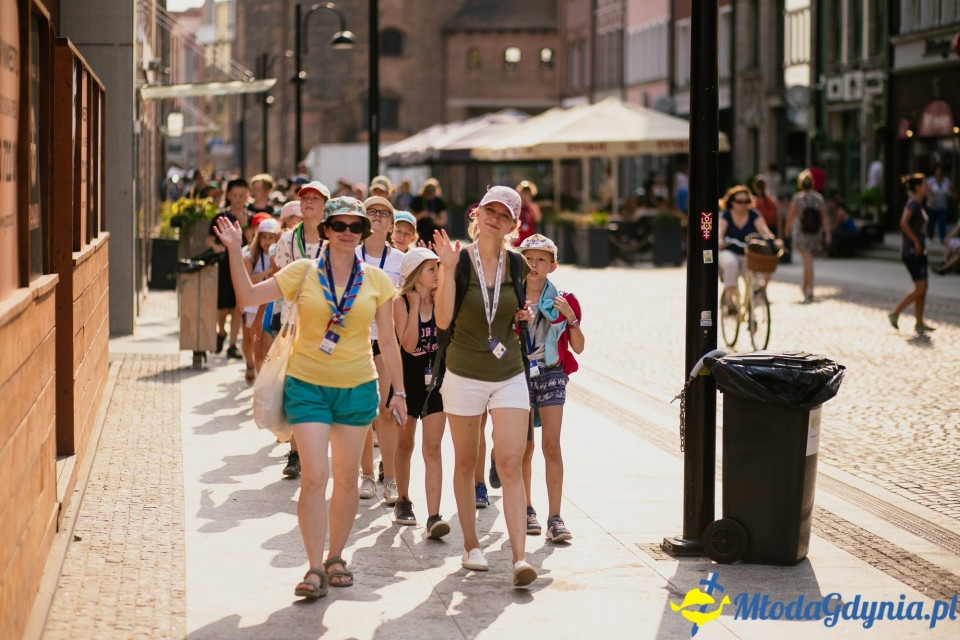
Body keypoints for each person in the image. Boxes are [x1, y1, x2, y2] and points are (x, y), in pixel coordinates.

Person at [212, 196, 407, 599]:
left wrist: (399, 392)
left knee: (348, 480)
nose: (347, 233)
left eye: (356, 227)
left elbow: (387, 339)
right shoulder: (301, 273)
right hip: (306, 385)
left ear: (363, 233)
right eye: (340, 226)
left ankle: (337, 556)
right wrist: (235, 251)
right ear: (327, 229)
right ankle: (314, 566)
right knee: (316, 476)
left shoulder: (376, 281)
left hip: (356, 388)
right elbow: (249, 297)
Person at [432, 185, 538, 587]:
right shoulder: (458, 261)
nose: (494, 218)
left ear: (512, 224)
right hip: (463, 373)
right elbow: (443, 321)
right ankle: (471, 545)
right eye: (489, 211)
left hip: (508, 371)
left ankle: (519, 558)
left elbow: (512, 312)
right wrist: (444, 270)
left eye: (504, 214)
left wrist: (522, 315)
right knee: (465, 460)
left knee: (510, 461)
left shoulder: (516, 265)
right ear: (477, 214)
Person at [516, 234, 584, 543]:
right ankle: (526, 509)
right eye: (529, 258)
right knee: (524, 447)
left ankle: (555, 517)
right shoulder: (512, 296)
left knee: (551, 445)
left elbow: (579, 348)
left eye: (541, 259)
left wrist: (571, 321)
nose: (534, 264)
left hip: (552, 373)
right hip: (517, 373)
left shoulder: (563, 300)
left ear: (552, 265)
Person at [271, 181, 331, 479]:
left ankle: (316, 449)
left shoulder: (333, 241)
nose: (308, 202)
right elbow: (277, 277)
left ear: (324, 205)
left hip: (325, 324)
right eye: (305, 198)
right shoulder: (286, 241)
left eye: (315, 198)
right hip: (293, 322)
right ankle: (295, 452)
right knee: (295, 388)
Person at [391, 247, 450, 537]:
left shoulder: (443, 300)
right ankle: (403, 500)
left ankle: (434, 515)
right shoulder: (400, 302)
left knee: (433, 447)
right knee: (405, 445)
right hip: (407, 379)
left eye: (438, 268)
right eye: (431, 269)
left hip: (437, 380)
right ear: (415, 275)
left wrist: (438, 303)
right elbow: (410, 346)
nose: (437, 273)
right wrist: (415, 308)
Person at [357, 196, 406, 504]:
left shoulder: (401, 261)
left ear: (391, 225)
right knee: (363, 413)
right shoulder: (351, 255)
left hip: (387, 343)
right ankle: (366, 477)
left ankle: (390, 478)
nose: (376, 217)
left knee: (386, 412)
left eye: (383, 214)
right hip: (356, 341)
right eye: (371, 212)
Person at [206, 177, 250, 359]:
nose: (239, 199)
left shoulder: (250, 217)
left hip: (243, 266)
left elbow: (253, 242)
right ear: (229, 196)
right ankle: (221, 332)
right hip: (224, 265)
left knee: (238, 306)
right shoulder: (220, 217)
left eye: (242, 195)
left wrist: (245, 224)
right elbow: (209, 240)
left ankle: (232, 345)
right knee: (223, 307)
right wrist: (218, 247)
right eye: (235, 195)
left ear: (247, 196)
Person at [889, 174, 935, 333]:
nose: (927, 187)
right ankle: (895, 312)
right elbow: (903, 223)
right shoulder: (913, 203)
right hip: (912, 251)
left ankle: (919, 322)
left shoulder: (920, 204)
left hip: (919, 251)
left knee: (923, 287)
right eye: (925, 184)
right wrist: (915, 241)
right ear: (917, 187)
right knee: (921, 288)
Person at [717, 186, 776, 312]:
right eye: (739, 202)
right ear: (731, 202)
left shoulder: (753, 214)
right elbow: (720, 232)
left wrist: (771, 239)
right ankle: (729, 301)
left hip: (749, 253)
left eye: (746, 202)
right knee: (730, 264)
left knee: (752, 278)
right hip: (730, 249)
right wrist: (720, 240)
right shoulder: (726, 215)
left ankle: (751, 311)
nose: (743, 205)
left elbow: (764, 230)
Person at [241, 218, 280, 382]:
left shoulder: (281, 253)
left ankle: (265, 383)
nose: (267, 241)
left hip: (272, 306)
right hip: (253, 306)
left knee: (268, 348)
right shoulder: (251, 255)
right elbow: (248, 279)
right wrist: (269, 273)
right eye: (264, 237)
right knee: (254, 346)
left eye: (271, 238)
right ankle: (257, 376)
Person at [784, 170, 830, 302]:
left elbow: (791, 216)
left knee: (807, 261)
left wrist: (786, 230)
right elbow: (823, 217)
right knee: (808, 260)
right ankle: (805, 286)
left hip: (801, 232)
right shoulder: (818, 198)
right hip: (814, 232)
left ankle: (809, 288)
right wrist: (827, 232)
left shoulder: (798, 198)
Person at [511, 180, 542, 247]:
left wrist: (529, 203)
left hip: (528, 242)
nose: (525, 195)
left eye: (528, 193)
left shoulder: (533, 207)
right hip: (516, 241)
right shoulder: (516, 207)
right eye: (524, 193)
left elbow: (538, 219)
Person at [926, 163, 952, 243]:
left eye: (940, 171)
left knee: (942, 221)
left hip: (943, 205)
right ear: (935, 172)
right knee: (931, 222)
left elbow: (950, 191)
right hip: (932, 205)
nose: (939, 173)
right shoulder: (930, 180)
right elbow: (927, 191)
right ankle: (930, 236)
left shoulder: (946, 181)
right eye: (938, 171)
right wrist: (930, 198)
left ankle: (942, 238)